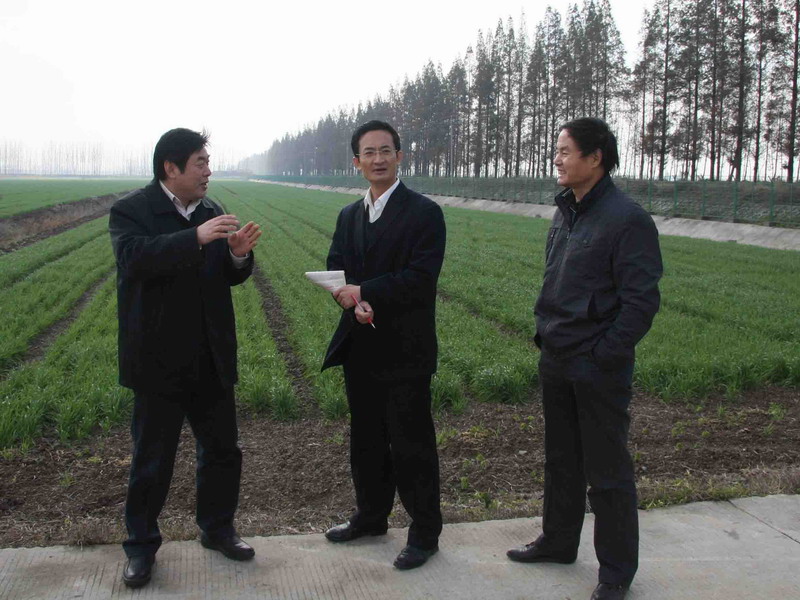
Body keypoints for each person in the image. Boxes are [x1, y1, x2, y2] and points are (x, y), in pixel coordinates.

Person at [507, 117, 662, 600]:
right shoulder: (565, 211)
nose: (556, 159)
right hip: (556, 356)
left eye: (565, 151)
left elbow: (641, 303)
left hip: (596, 366)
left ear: (595, 158)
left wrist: (602, 354)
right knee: (561, 460)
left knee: (607, 472)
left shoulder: (626, 219)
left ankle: (615, 573)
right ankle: (558, 541)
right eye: (557, 150)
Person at [109, 128, 262, 588]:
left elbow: (223, 276)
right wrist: (193, 237)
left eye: (207, 161)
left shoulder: (211, 211)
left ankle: (217, 529)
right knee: (152, 460)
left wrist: (237, 258)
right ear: (170, 167)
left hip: (209, 356)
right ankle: (140, 547)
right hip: (158, 361)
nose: (208, 171)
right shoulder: (132, 210)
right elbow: (135, 259)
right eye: (200, 162)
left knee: (222, 451)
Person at [321, 120, 446, 570]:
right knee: (366, 440)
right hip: (361, 347)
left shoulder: (424, 213)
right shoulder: (349, 215)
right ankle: (371, 517)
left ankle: (425, 533)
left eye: (386, 151)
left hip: (405, 350)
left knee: (411, 444)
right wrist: (345, 295)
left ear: (399, 157)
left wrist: (366, 292)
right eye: (369, 153)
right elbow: (337, 266)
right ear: (357, 162)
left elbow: (420, 277)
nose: (378, 159)